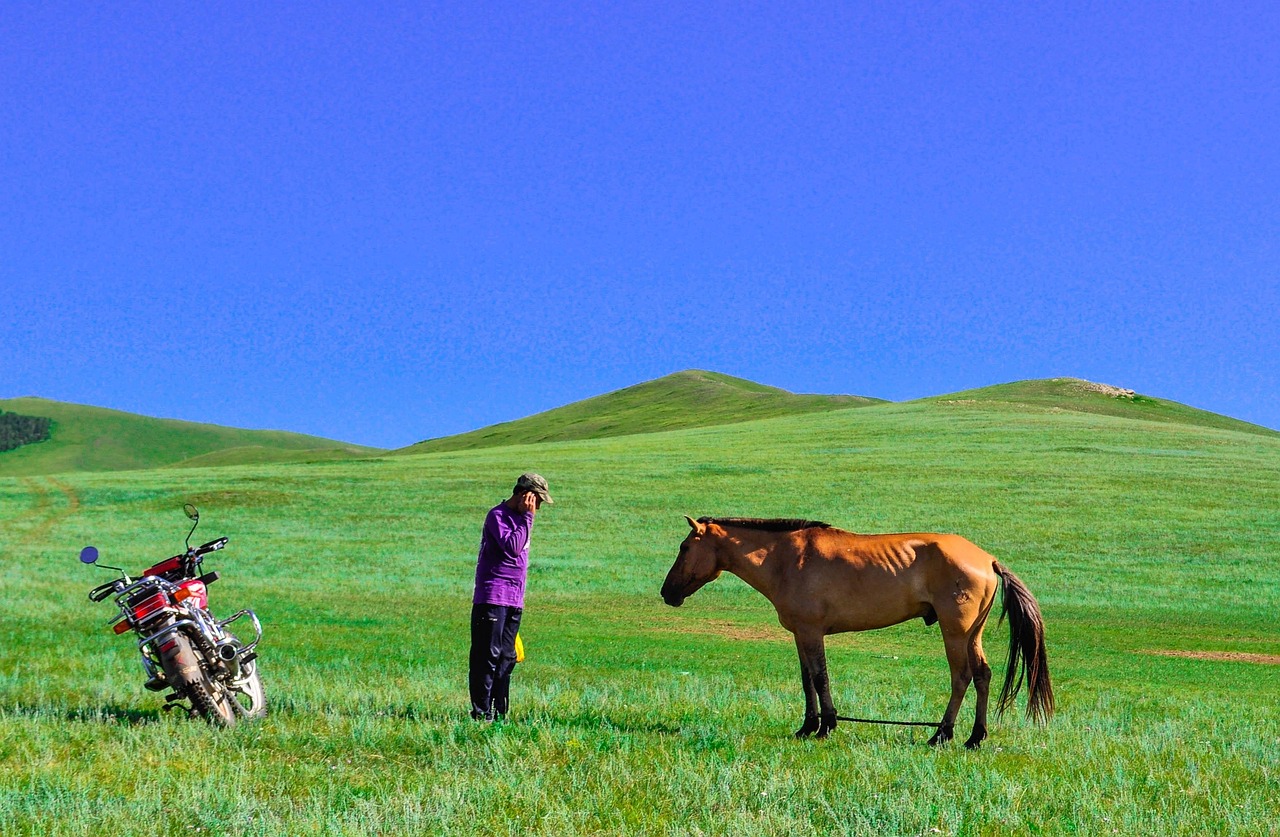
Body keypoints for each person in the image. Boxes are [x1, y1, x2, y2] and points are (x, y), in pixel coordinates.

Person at [469, 472, 552, 721]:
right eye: (537, 500)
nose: (538, 507)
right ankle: (481, 713)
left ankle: (499, 713)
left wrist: (526, 518)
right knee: (487, 656)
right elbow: (513, 549)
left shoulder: (522, 518)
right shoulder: (498, 516)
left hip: (514, 599)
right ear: (524, 494)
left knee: (507, 657)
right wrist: (527, 518)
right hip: (492, 596)